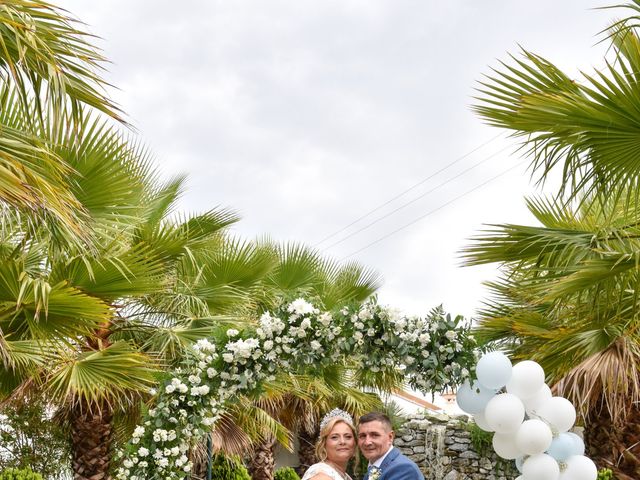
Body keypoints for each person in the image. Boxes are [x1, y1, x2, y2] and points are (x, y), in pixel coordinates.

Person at [357, 412, 424, 480]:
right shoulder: (376, 465)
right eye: (362, 436)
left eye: (374, 435)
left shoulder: (404, 469)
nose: (367, 442)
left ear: (390, 437)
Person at [302, 408, 357, 480]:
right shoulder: (321, 475)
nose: (342, 441)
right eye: (334, 437)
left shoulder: (343, 475)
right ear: (324, 443)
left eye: (348, 437)